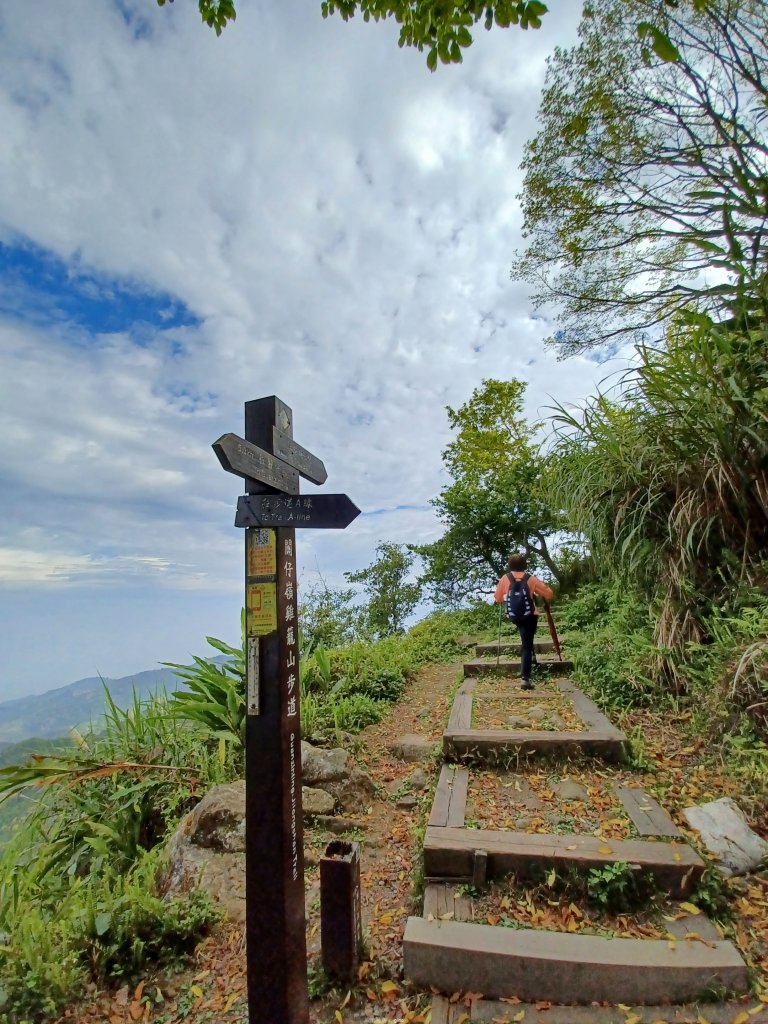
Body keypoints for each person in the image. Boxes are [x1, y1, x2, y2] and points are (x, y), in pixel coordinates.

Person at [494, 553, 555, 690]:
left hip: (515, 616)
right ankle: (525, 679)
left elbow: (498, 598)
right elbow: (549, 594)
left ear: (510, 566)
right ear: (525, 566)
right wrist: (538, 590)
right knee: (526, 644)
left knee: (526, 638)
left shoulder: (505, 578)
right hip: (530, 616)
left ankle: (531, 659)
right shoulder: (530, 579)